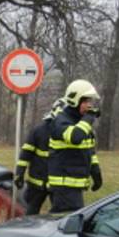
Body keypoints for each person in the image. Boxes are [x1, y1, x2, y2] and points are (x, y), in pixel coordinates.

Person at [47, 79, 103, 213]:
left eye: (90, 102)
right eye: (86, 102)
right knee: (66, 224)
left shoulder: (79, 122)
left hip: (73, 187)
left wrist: (95, 172)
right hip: (63, 187)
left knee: (66, 223)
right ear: (74, 100)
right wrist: (89, 118)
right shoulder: (61, 121)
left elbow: (88, 148)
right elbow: (75, 137)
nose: (89, 105)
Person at [14, 98, 65, 215]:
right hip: (39, 183)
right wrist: (19, 173)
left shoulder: (68, 132)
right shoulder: (39, 130)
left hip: (54, 184)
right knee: (32, 213)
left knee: (59, 215)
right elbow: (26, 153)